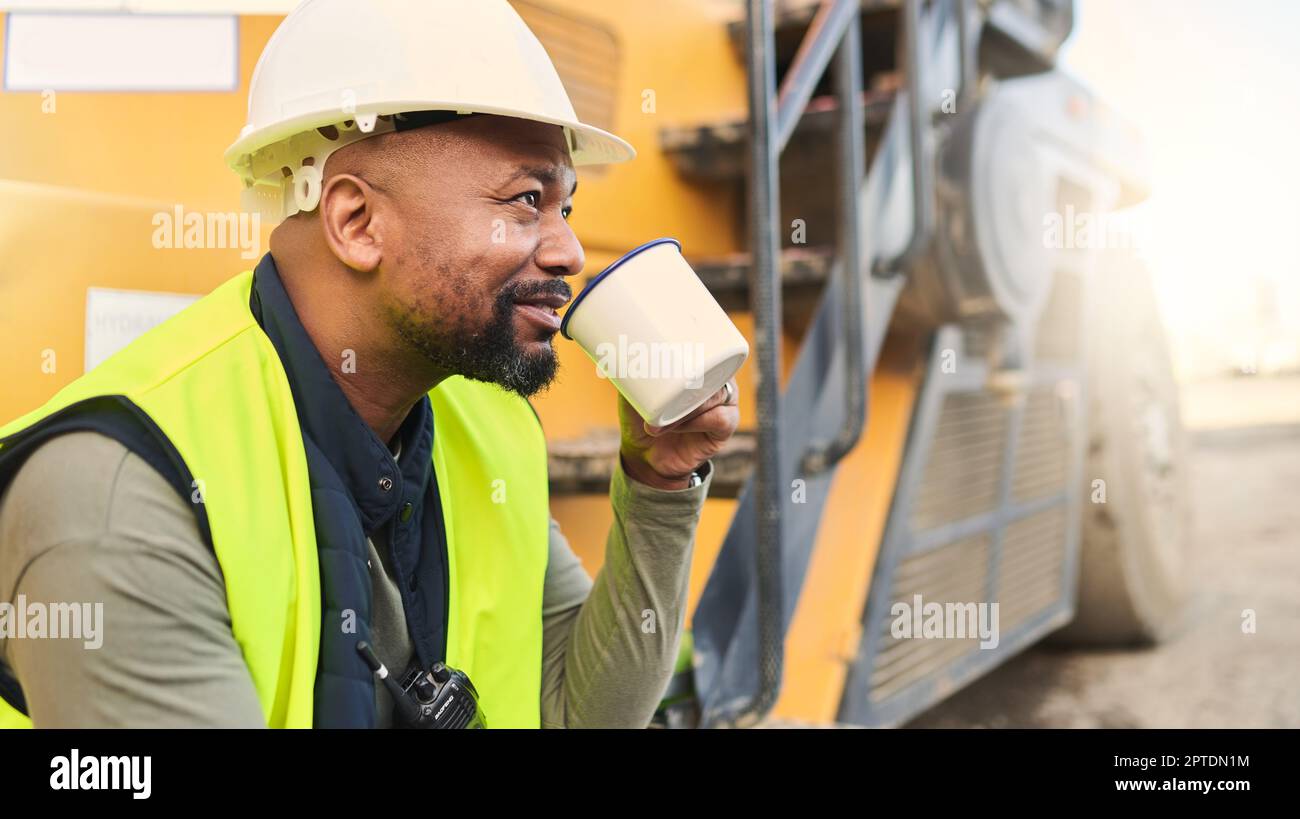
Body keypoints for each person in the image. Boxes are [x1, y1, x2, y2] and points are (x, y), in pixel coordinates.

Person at [0, 0, 738, 728]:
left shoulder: (485, 426)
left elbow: (577, 714)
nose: (569, 251)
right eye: (525, 200)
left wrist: (658, 479)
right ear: (356, 222)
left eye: (565, 209)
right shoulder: (117, 491)